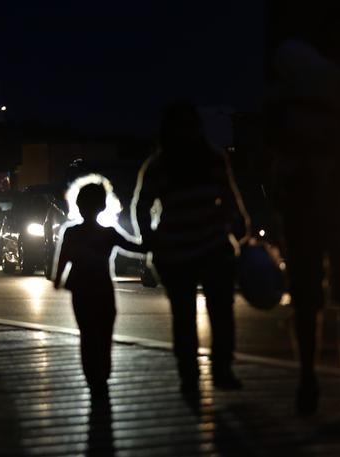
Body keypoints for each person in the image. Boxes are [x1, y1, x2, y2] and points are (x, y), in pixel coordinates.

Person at [266, 39, 340, 421]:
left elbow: (271, 152)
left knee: (306, 301)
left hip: (302, 208)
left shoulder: (283, 95)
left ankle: (307, 381)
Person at [132, 101, 250, 398]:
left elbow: (142, 206)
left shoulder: (161, 165)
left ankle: (192, 376)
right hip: (205, 248)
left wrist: (150, 239)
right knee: (218, 313)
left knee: (187, 317)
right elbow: (232, 201)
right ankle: (216, 371)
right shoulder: (209, 159)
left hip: (180, 251)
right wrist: (238, 228)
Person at [53, 181, 146, 392]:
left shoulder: (71, 232)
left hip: (80, 289)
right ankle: (104, 373)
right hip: (103, 289)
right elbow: (134, 247)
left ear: (78, 205)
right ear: (103, 206)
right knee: (105, 332)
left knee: (86, 333)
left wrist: (58, 279)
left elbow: (63, 257)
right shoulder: (109, 233)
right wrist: (153, 239)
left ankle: (92, 376)